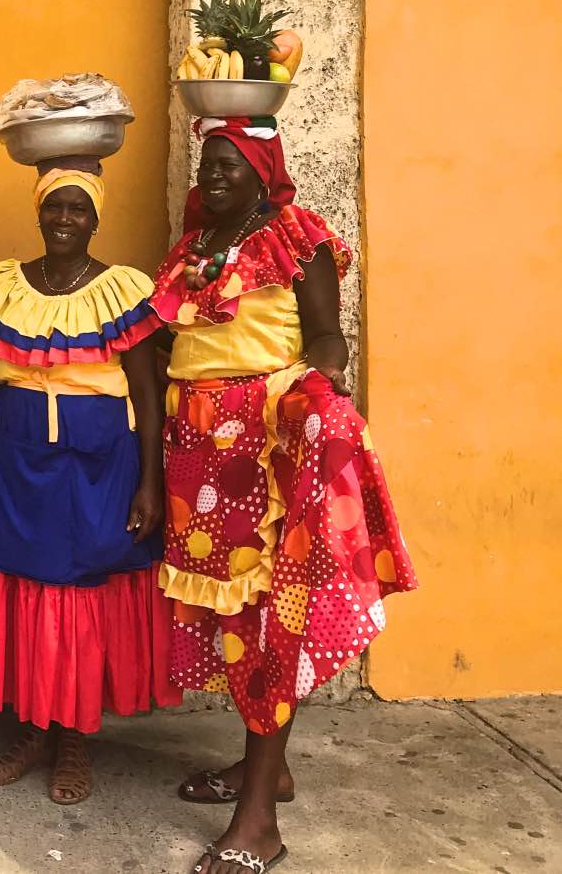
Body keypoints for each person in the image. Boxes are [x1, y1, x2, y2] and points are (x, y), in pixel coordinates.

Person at [150, 117, 417, 874]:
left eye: (231, 165)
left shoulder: (297, 237)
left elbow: (330, 339)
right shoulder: (193, 249)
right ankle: (269, 770)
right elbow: (185, 344)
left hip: (267, 458)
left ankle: (258, 820)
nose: (215, 177)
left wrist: (313, 387)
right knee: (236, 620)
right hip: (201, 469)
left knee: (275, 622)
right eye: (208, 165)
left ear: (264, 168)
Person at [0, 166, 182, 805]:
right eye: (54, 207)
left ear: (95, 219)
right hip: (18, 463)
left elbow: (146, 391)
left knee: (81, 591)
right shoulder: (4, 287)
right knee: (26, 584)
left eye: (78, 210)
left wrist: (149, 484)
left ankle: (77, 736)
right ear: (39, 211)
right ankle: (32, 731)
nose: (64, 220)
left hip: (100, 464)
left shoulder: (121, 291)